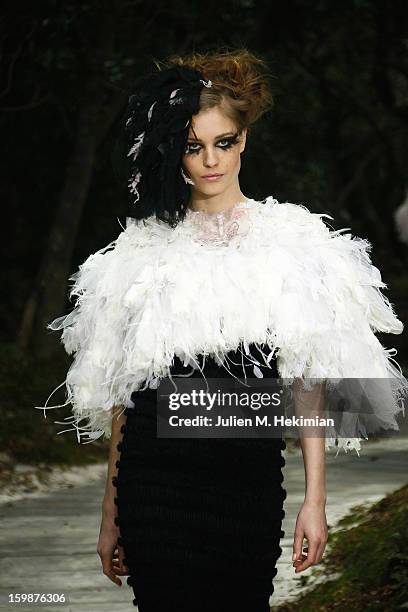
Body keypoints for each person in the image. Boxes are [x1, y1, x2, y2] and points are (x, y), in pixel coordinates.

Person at [38, 50, 407, 611]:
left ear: (243, 142)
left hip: (247, 480)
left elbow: (309, 379)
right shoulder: (141, 251)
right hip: (154, 484)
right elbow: (123, 392)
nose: (210, 160)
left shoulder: (292, 243)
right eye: (193, 147)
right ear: (174, 153)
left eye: (223, 142)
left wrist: (315, 501)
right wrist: (110, 515)